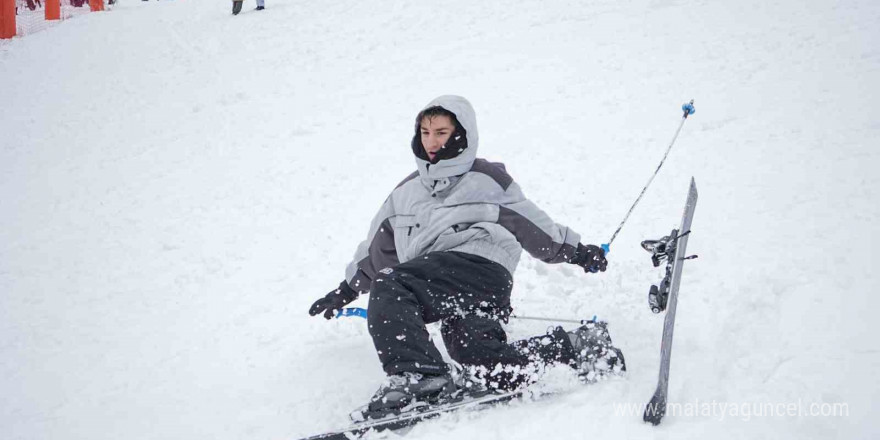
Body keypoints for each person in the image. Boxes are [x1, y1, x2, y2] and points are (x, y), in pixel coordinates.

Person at [309, 95, 625, 419]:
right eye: (425, 132)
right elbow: (377, 251)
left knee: (391, 283)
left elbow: (533, 226)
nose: (431, 141)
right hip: (442, 280)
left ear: (461, 134)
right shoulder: (404, 194)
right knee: (481, 361)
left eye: (441, 132)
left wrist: (579, 253)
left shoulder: (484, 179)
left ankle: (422, 376)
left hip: (481, 264)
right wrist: (346, 290)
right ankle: (580, 347)